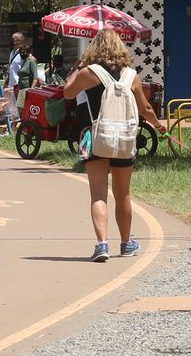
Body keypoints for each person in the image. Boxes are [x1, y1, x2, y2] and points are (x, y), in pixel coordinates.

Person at [62, 29, 165, 262]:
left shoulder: (88, 73)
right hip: (124, 140)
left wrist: (77, 68)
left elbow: (67, 93)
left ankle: (102, 244)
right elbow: (145, 109)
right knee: (123, 194)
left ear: (93, 48)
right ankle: (127, 243)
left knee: (98, 194)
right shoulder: (132, 76)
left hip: (93, 137)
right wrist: (158, 125)